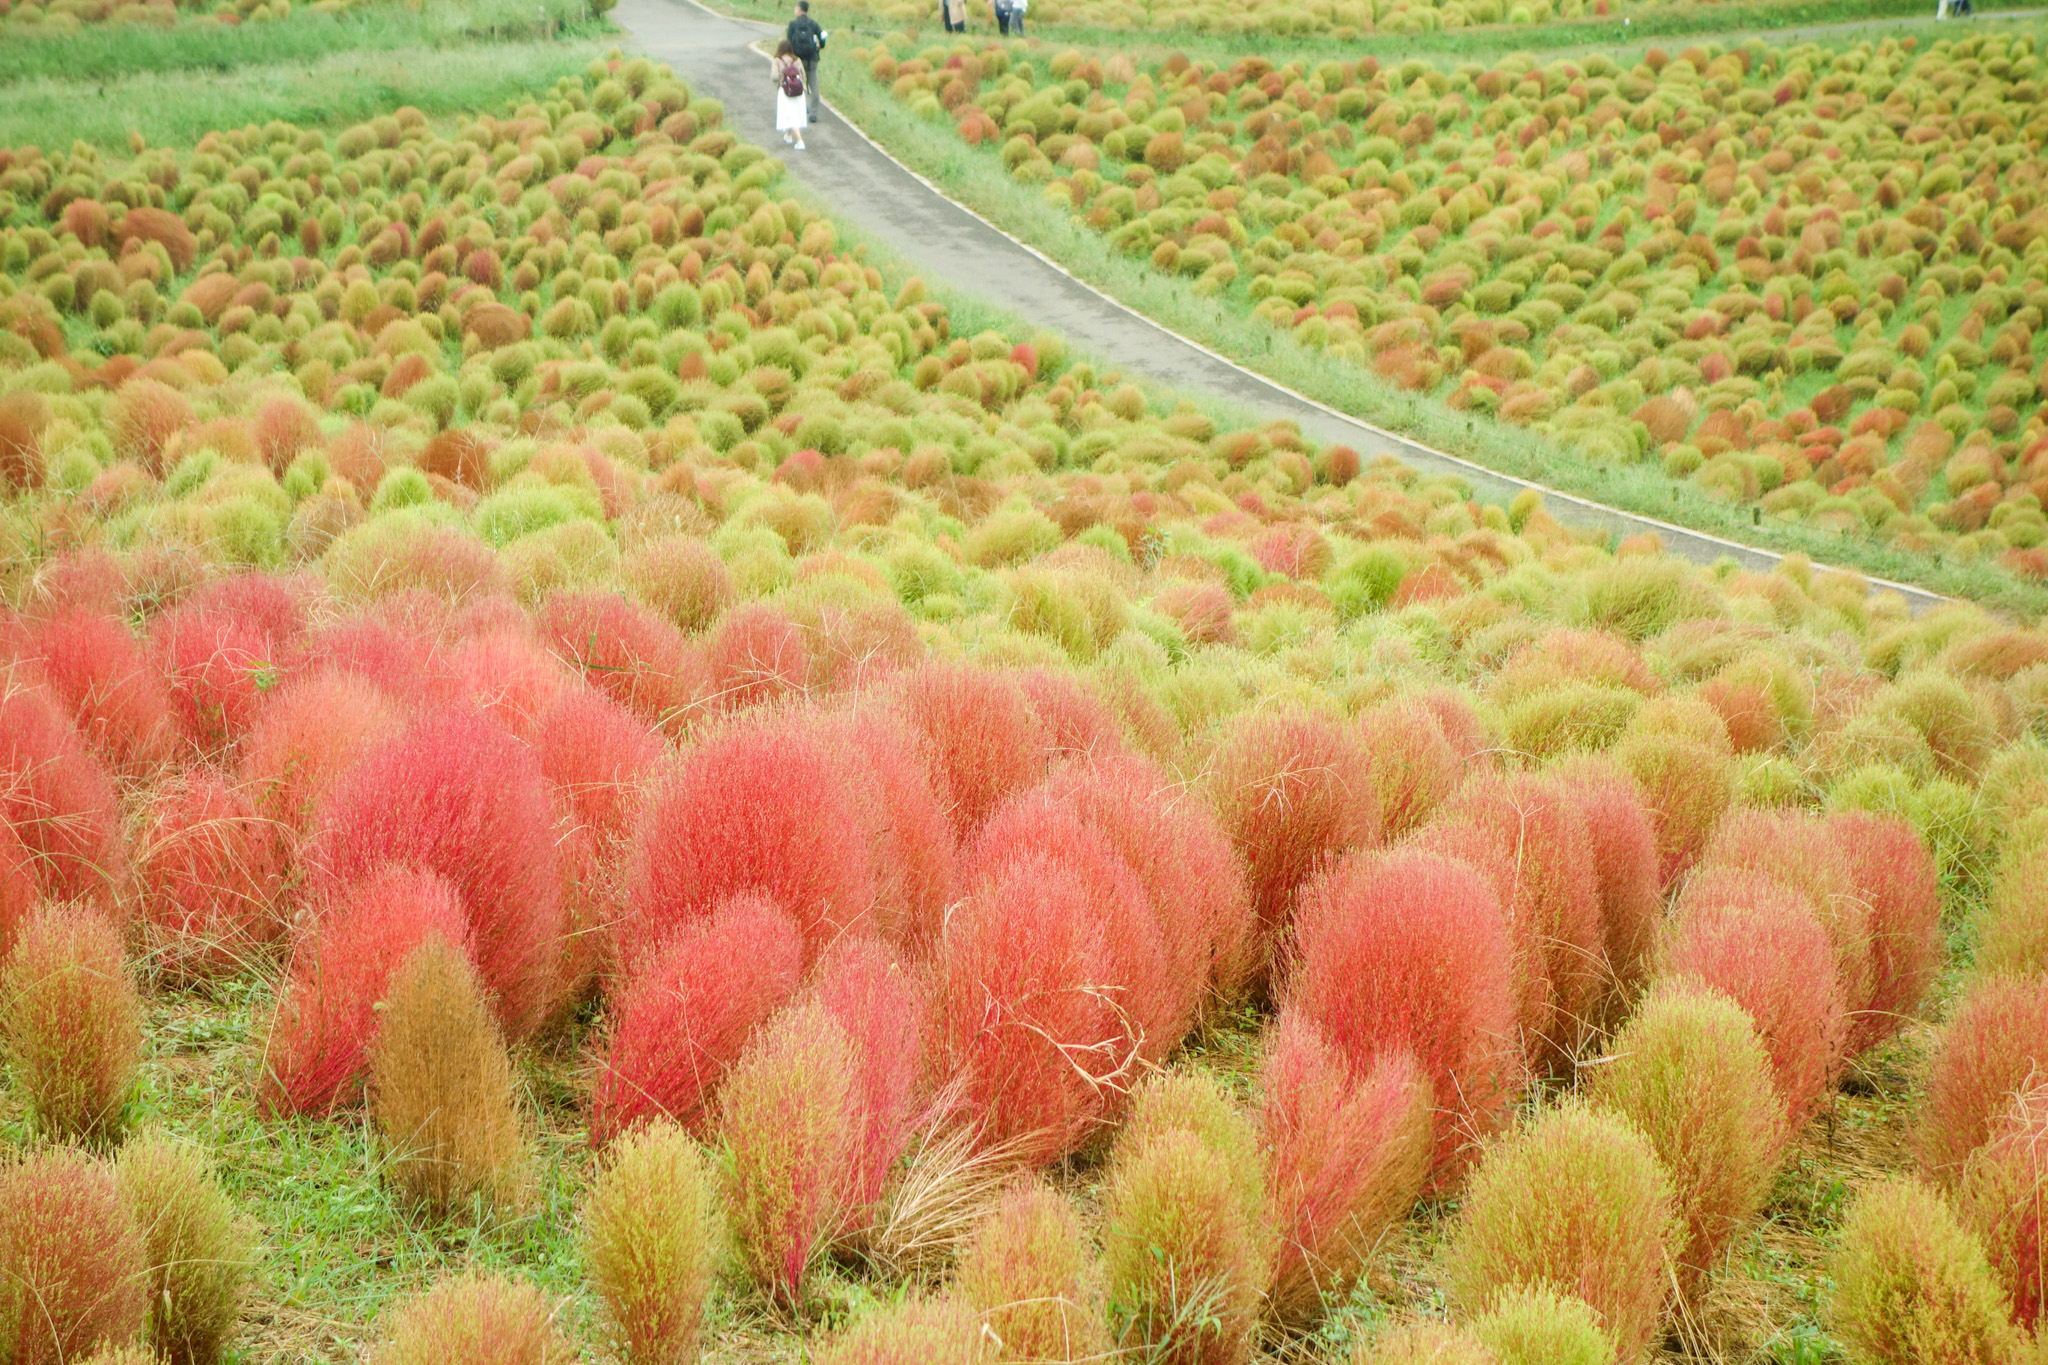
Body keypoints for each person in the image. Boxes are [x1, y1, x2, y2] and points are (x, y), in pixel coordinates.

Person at [786, 0, 825, 124]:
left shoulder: (793, 25)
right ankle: (813, 113)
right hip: (812, 59)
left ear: (798, 10)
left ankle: (802, 108)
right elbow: (822, 37)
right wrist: (820, 47)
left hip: (797, 60)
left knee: (798, 84)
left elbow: (788, 42)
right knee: (814, 85)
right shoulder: (813, 24)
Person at [772, 40, 808, 151]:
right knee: (794, 113)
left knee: (790, 115)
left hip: (785, 91)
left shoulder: (777, 60)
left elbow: (774, 77)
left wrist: (782, 77)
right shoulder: (797, 60)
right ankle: (788, 135)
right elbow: (803, 76)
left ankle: (800, 141)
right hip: (798, 92)